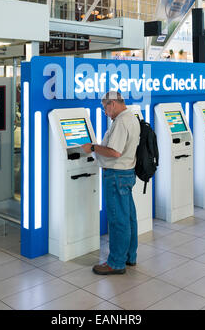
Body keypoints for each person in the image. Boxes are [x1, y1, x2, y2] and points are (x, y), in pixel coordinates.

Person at [81, 91, 140, 275]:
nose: (105, 112)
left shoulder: (122, 121)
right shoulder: (131, 117)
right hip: (126, 174)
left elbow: (114, 152)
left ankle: (116, 262)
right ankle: (130, 256)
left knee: (118, 221)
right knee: (129, 217)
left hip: (116, 176)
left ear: (112, 103)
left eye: (104, 107)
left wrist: (92, 147)